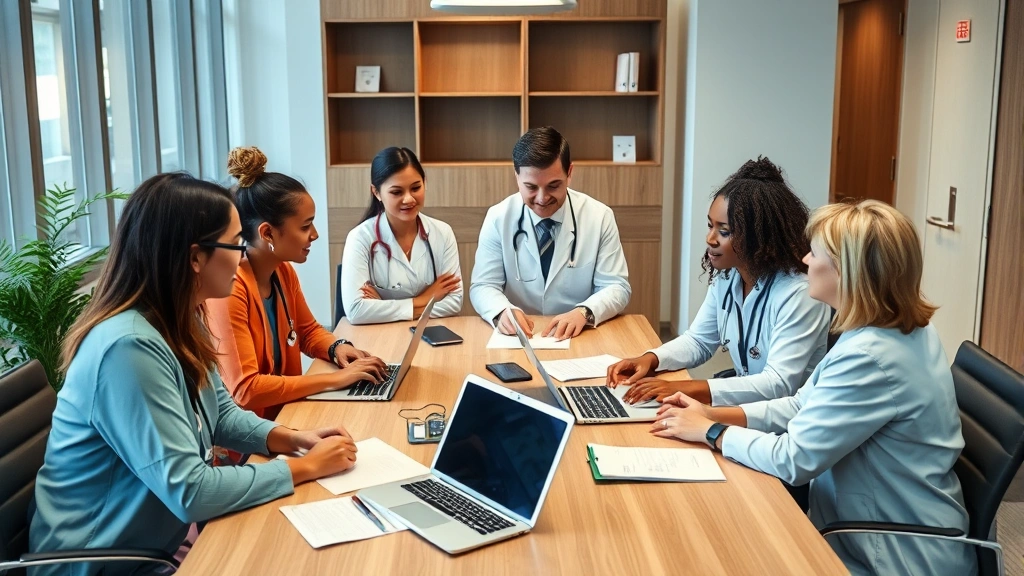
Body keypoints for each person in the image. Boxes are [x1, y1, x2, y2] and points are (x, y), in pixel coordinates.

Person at [29, 173, 361, 575]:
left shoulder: (183, 317)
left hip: (154, 544)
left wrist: (293, 439)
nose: (243, 257)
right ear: (195, 257)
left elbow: (221, 413)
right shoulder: (127, 348)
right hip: (101, 563)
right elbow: (190, 491)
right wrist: (305, 467)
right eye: (236, 244)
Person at [653, 200, 975, 576]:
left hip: (891, 554)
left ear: (848, 271)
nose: (805, 261)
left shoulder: (871, 356)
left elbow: (794, 460)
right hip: (880, 524)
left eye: (815, 253)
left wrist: (712, 432)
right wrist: (710, 414)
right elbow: (802, 404)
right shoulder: (893, 327)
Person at [607, 157, 830, 406]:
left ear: (759, 237)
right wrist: (650, 359)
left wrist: (684, 388)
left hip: (784, 424)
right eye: (710, 226)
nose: (710, 238)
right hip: (744, 410)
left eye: (724, 231)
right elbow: (700, 340)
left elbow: (777, 384)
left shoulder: (799, 294)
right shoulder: (728, 276)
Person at [207, 147, 387, 421]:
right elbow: (246, 390)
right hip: (247, 442)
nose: (314, 235)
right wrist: (334, 381)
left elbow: (306, 331)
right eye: (305, 227)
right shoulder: (229, 291)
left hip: (285, 416)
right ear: (267, 232)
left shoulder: (283, 271)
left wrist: (337, 347)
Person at [470, 126, 631, 340]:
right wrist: (502, 311)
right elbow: (483, 285)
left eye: (553, 185)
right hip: (519, 338)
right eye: (531, 187)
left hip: (579, 335)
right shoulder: (498, 218)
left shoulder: (599, 217)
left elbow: (617, 287)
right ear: (516, 176)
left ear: (570, 173)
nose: (542, 198)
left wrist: (584, 312)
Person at [341, 147, 462, 324]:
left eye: (416, 188)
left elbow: (454, 303)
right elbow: (357, 311)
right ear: (376, 192)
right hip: (378, 337)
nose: (409, 199)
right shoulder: (360, 237)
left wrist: (383, 307)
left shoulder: (442, 233)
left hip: (430, 332)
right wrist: (425, 298)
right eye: (397, 192)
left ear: (424, 182)